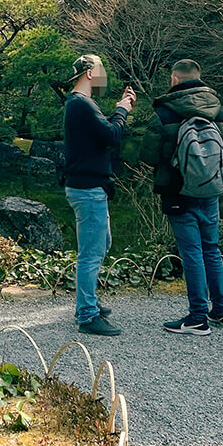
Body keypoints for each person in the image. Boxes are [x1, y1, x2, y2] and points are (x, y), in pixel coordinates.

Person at [140, 59, 223, 336]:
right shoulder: (221, 111)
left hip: (178, 193)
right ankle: (221, 311)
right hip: (211, 191)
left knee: (192, 253)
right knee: (211, 248)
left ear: (174, 79)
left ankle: (197, 317)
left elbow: (147, 155)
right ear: (200, 78)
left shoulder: (164, 112)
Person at [62, 53, 136, 336]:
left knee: (101, 244)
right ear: (91, 73)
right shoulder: (81, 105)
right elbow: (111, 135)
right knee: (91, 254)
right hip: (87, 188)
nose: (104, 77)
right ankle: (87, 314)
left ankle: (87, 300)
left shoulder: (80, 105)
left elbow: (103, 134)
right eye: (102, 71)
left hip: (89, 186)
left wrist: (120, 109)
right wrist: (122, 110)